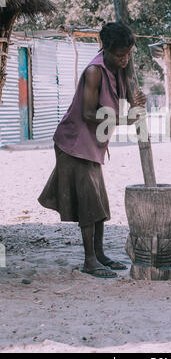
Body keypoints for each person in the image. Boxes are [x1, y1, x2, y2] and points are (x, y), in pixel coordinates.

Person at [38, 22, 147, 278]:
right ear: (106, 50)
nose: (125, 59)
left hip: (93, 145)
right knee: (88, 203)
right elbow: (88, 113)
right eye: (120, 55)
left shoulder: (119, 67)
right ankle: (89, 261)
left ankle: (99, 255)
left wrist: (136, 101)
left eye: (128, 54)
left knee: (99, 202)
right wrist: (124, 120)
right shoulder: (94, 72)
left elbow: (128, 95)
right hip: (75, 143)